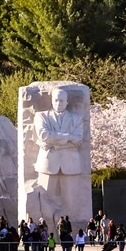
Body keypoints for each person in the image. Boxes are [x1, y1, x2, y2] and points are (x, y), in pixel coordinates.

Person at [33, 89, 87, 222]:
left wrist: (53, 144)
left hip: (71, 164)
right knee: (44, 199)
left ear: (67, 102)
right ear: (52, 101)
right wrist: (68, 137)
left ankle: (70, 229)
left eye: (61, 100)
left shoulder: (76, 118)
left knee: (71, 201)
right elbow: (44, 135)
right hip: (48, 164)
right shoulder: (41, 116)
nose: (58, 103)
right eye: (56, 100)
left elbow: (78, 141)